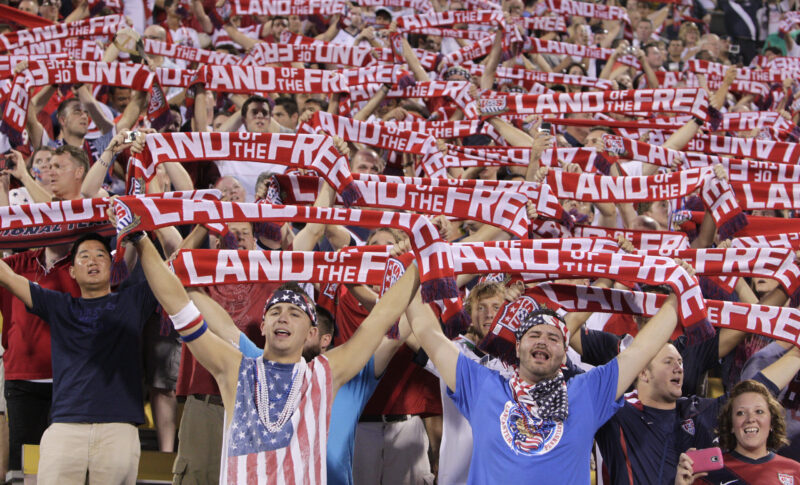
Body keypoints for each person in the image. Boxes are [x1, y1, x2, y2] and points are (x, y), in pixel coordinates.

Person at [130, 223, 422, 483]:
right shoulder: (236, 367)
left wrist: (416, 266)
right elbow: (178, 306)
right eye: (276, 312)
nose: (283, 317)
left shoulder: (323, 374)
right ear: (265, 323)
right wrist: (141, 238)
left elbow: (380, 320)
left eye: (295, 313)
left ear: (311, 333)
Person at [407, 278, 683, 483]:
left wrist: (677, 294)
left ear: (564, 354)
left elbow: (642, 349)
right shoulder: (482, 385)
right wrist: (414, 272)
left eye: (553, 338)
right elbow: (426, 331)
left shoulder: (588, 391)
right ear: (517, 347)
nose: (542, 341)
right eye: (533, 335)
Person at [0, 233, 158, 484]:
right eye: (84, 256)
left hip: (118, 429)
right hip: (65, 428)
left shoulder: (133, 301)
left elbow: (175, 266)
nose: (93, 261)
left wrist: (139, 235)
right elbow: (7, 276)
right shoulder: (59, 306)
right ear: (72, 271)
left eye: (100, 255)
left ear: (113, 265)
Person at [676, 378, 800, 484]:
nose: (750, 419)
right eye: (741, 413)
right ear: (731, 425)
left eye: (759, 411)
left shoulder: (795, 472)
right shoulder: (706, 474)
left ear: (772, 422)